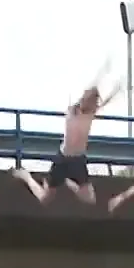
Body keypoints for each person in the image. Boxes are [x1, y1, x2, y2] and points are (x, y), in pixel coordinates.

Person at [14, 76, 119, 205]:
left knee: (90, 200)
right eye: (89, 101)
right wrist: (100, 77)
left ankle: (68, 182)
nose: (92, 105)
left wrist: (115, 91)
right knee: (45, 200)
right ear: (84, 100)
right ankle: (26, 176)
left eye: (93, 103)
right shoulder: (72, 111)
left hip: (78, 160)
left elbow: (103, 103)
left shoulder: (91, 113)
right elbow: (88, 96)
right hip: (63, 159)